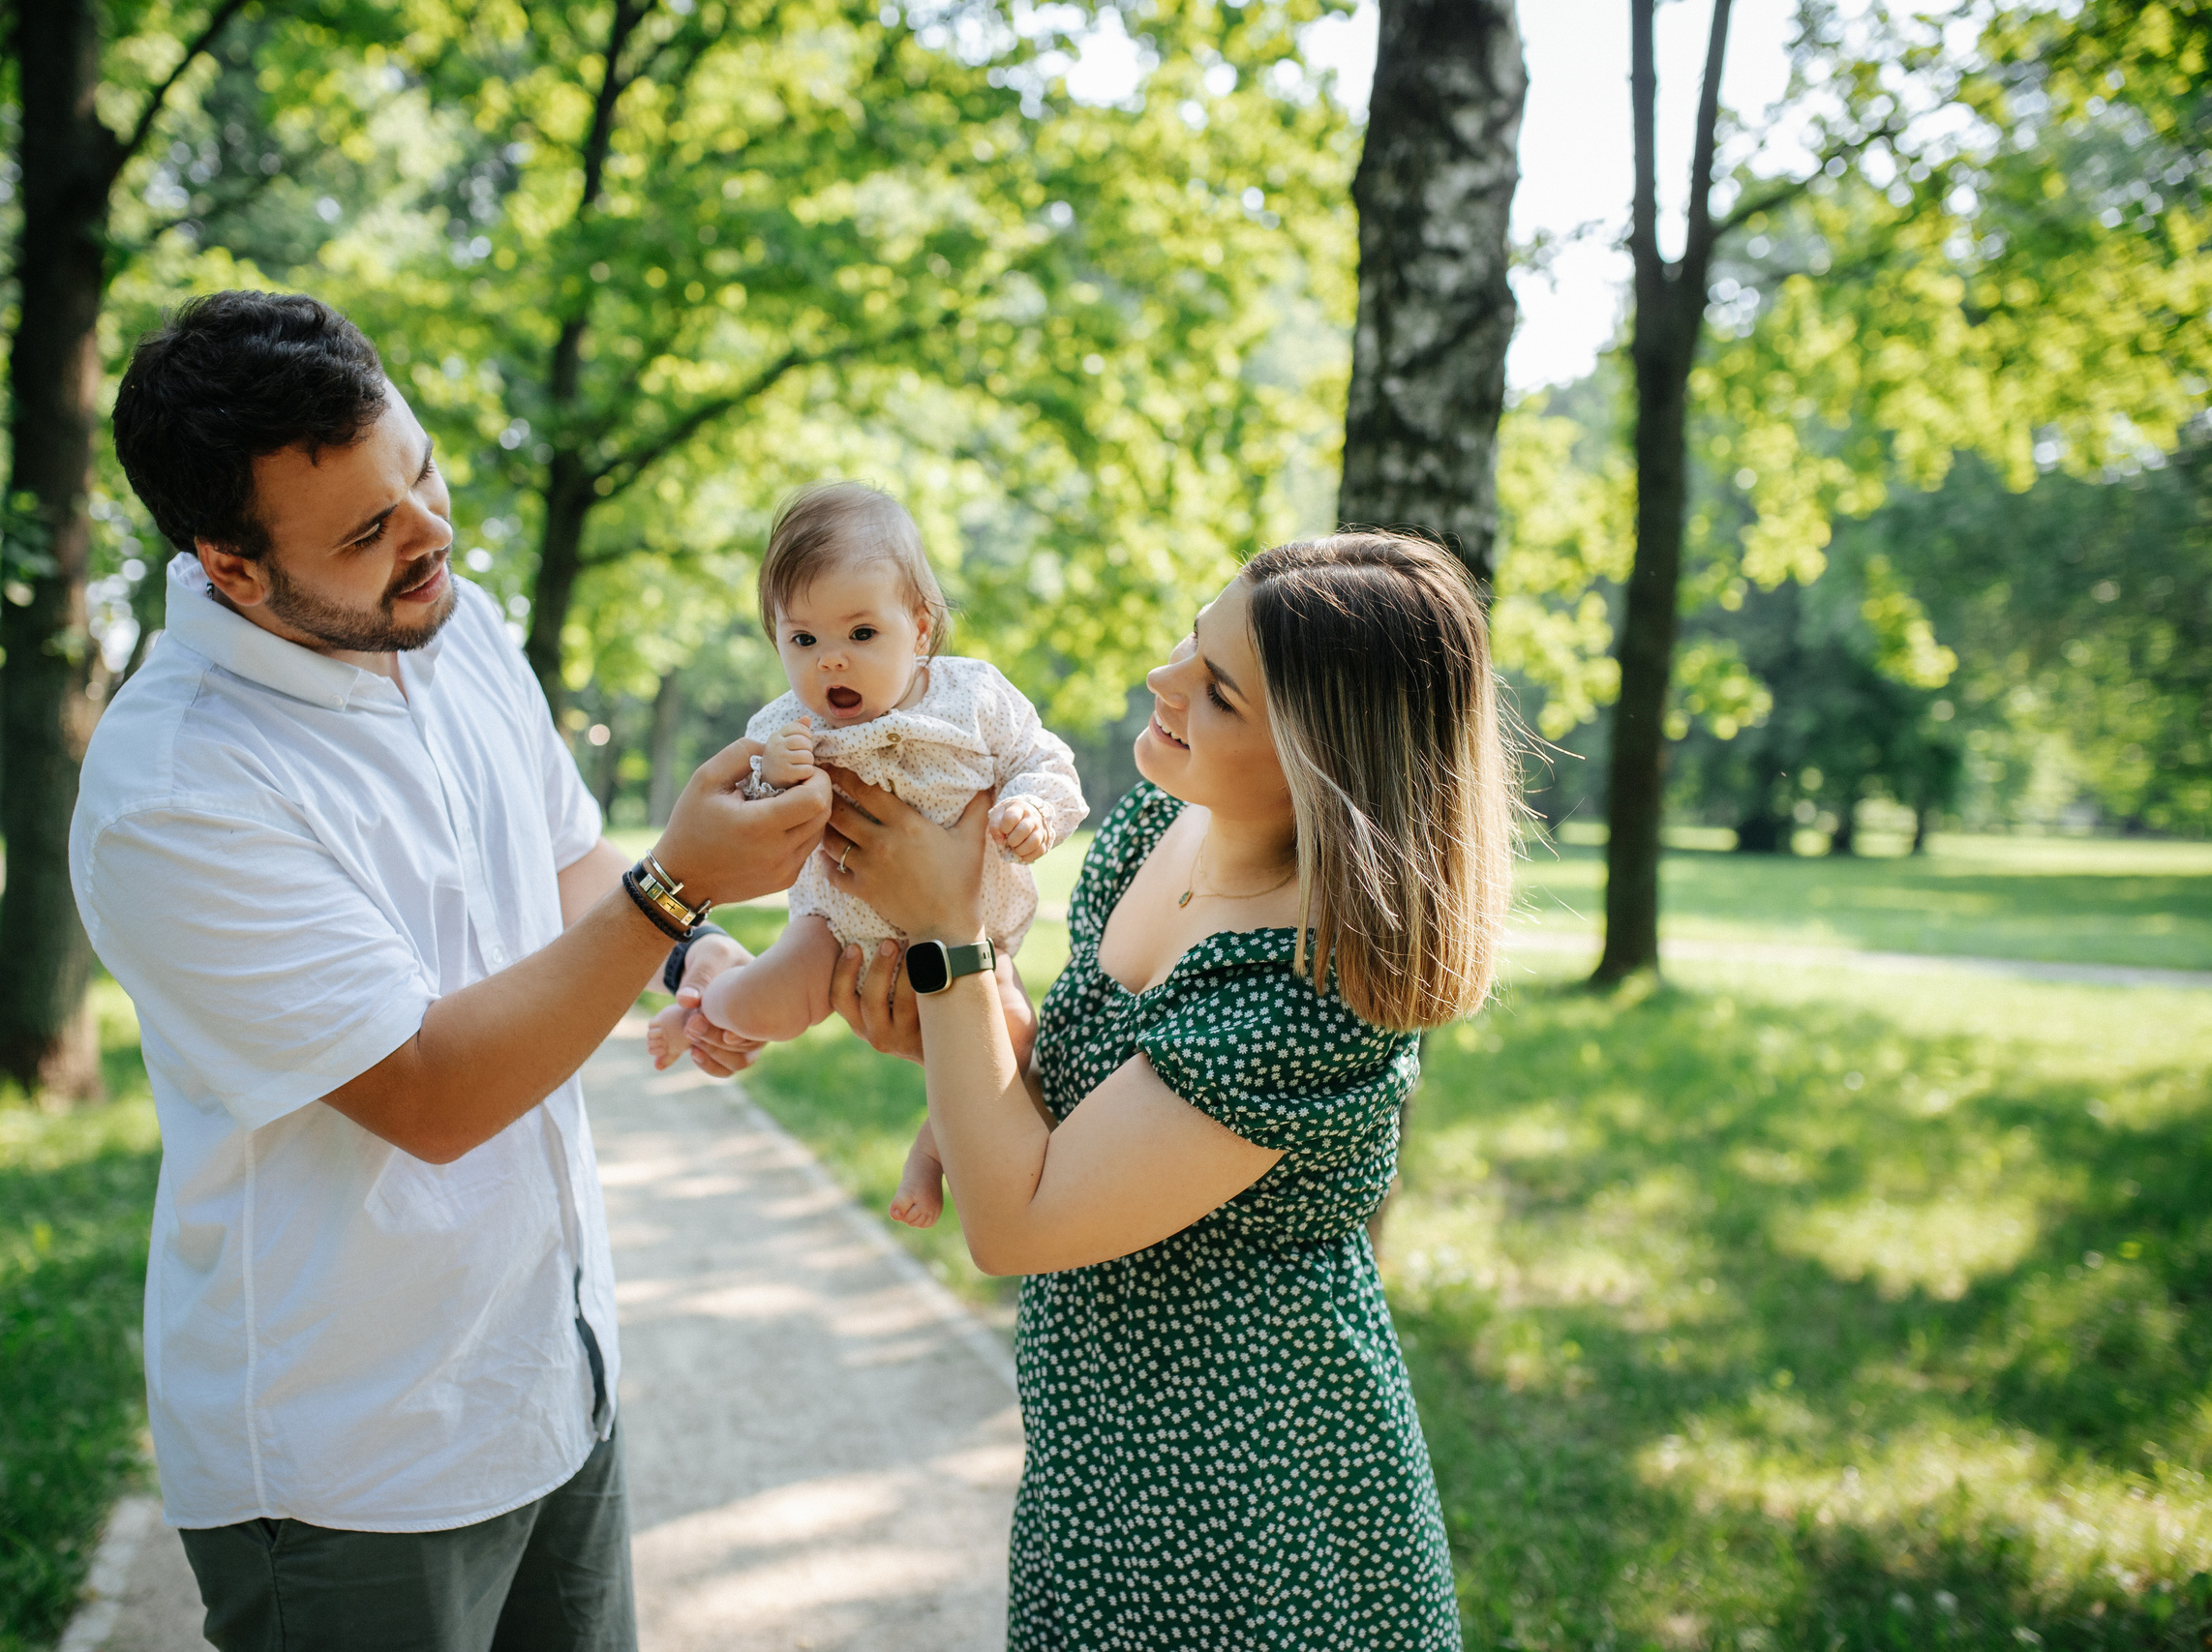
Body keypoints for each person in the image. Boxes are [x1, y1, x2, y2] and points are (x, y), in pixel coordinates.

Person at [74, 290, 830, 1652]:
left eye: (419, 472)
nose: (430, 532)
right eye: (367, 528)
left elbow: (559, 856)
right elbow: (426, 1093)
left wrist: (695, 960)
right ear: (232, 567)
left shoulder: (449, 618)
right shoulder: (175, 788)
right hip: (353, 1459)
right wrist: (683, 887)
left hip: (555, 1368)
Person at [819, 532, 1512, 1648]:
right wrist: (966, 1057)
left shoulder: (1309, 996)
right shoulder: (1160, 822)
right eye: (1192, 641)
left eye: (1218, 690)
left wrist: (948, 938)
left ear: (1321, 762)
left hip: (1242, 1500)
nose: (1164, 683)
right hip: (1096, 1450)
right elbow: (1083, 1099)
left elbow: (1017, 1222)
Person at [644, 480, 1087, 1227]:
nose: (831, 664)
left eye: (861, 635)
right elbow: (748, 823)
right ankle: (703, 1006)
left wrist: (1033, 808)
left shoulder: (973, 696)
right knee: (771, 1001)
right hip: (837, 929)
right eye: (803, 639)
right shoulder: (786, 724)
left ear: (919, 630)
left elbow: (1043, 760)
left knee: (1010, 1043)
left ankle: (931, 1150)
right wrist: (774, 777)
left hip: (973, 938)